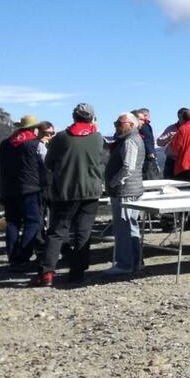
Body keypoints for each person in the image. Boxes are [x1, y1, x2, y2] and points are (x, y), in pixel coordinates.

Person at [34, 103, 106, 286]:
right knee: (83, 232)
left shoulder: (61, 138)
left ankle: (47, 273)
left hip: (65, 191)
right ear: (92, 118)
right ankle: (77, 272)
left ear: (74, 117)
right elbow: (102, 161)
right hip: (91, 191)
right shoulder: (98, 138)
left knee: (57, 232)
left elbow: (49, 162)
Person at [0, 114, 46, 268]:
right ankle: (24, 256)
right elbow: (47, 163)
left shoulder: (5, 144)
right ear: (34, 129)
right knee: (33, 222)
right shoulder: (36, 144)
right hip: (30, 189)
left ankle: (12, 258)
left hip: (8, 190)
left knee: (12, 223)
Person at [102, 112, 144, 277]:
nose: (116, 126)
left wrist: (113, 182)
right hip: (131, 190)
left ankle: (125, 264)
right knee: (131, 227)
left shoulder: (130, 140)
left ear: (131, 125)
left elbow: (128, 167)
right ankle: (135, 262)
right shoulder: (130, 139)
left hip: (125, 191)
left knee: (123, 229)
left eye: (120, 123)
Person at [133, 108, 161, 179]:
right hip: (147, 158)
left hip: (142, 157)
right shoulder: (145, 126)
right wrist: (151, 155)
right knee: (150, 177)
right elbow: (147, 140)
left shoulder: (141, 127)